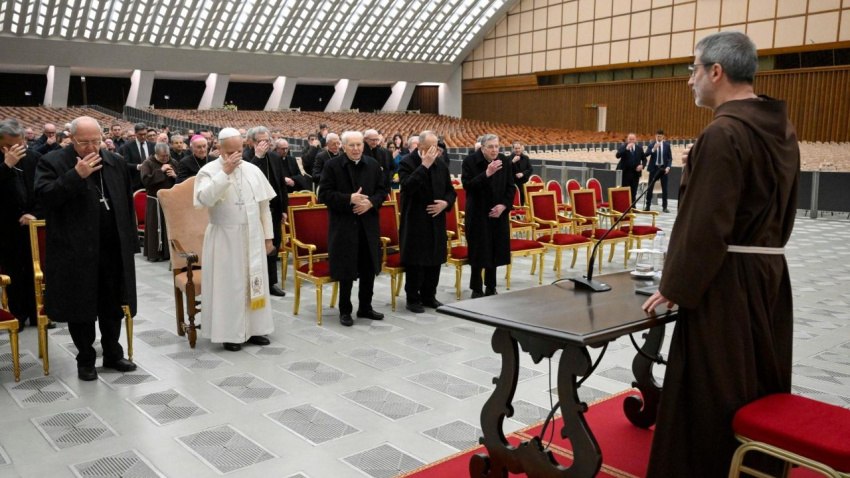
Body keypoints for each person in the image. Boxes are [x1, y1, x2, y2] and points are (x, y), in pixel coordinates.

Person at [642, 31, 800, 477]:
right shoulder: (780, 128)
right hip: (767, 271)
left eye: (693, 70)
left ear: (716, 71)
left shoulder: (723, 132)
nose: (689, 80)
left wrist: (675, 285)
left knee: (714, 389)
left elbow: (706, 225)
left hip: (725, 283)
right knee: (756, 379)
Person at [34, 116, 139, 381]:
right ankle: (85, 359)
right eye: (84, 142)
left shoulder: (114, 162)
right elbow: (44, 199)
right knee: (81, 308)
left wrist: (130, 244)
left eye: (96, 141)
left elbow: (126, 205)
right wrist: (75, 176)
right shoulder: (52, 162)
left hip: (112, 250)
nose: (92, 148)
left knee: (112, 305)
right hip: (76, 251)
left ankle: (113, 353)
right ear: (71, 138)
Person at [194, 128, 276, 352]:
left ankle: (256, 329)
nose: (236, 156)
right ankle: (230, 333)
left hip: (253, 235)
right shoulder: (208, 171)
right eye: (230, 152)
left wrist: (268, 237)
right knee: (229, 285)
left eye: (239, 151)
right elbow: (204, 200)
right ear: (219, 148)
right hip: (224, 238)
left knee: (253, 281)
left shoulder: (253, 170)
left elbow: (264, 206)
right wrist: (225, 172)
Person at [318, 131, 387, 327]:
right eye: (352, 145)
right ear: (343, 146)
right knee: (346, 270)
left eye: (359, 145)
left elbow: (383, 190)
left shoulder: (373, 164)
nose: (356, 149)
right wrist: (349, 198)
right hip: (344, 227)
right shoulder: (332, 166)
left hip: (368, 225)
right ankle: (345, 310)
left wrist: (371, 203)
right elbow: (324, 195)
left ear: (363, 146)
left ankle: (365, 307)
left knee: (368, 269)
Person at [398, 131, 455, 313]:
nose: (434, 151)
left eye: (436, 147)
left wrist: (445, 204)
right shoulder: (407, 162)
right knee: (416, 261)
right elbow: (407, 187)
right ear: (419, 146)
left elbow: (450, 191)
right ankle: (413, 298)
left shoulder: (440, 163)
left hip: (436, 220)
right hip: (416, 220)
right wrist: (424, 166)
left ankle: (429, 296)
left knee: (434, 260)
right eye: (430, 147)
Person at [0, 118, 43, 331]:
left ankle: (37, 314)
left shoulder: (34, 158)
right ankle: (17, 315)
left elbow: (44, 190)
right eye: (9, 145)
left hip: (32, 226)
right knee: (13, 272)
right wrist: (6, 165)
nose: (16, 149)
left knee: (35, 271)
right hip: (6, 227)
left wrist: (34, 213)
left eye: (20, 144)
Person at [461, 134, 513, 298]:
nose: (494, 150)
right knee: (478, 251)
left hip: (498, 213)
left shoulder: (504, 161)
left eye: (497, 146)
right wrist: (487, 173)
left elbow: (511, 187)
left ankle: (491, 286)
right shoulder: (470, 161)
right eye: (490, 147)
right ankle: (476, 289)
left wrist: (504, 205)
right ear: (482, 148)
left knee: (494, 250)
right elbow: (468, 186)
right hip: (478, 214)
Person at [244, 126, 287, 298]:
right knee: (255, 248)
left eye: (267, 141)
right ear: (251, 142)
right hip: (254, 211)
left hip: (274, 210)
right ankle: (254, 283)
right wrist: (258, 157)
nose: (264, 144)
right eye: (260, 141)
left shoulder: (275, 157)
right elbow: (246, 179)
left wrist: (284, 209)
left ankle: (270, 283)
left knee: (273, 245)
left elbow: (281, 185)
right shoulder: (246, 157)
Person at [140, 142, 178, 262]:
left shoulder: (173, 162)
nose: (166, 158)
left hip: (170, 200)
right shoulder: (147, 163)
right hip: (154, 201)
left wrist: (175, 176)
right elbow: (146, 181)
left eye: (167, 155)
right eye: (163, 156)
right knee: (155, 227)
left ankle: (169, 253)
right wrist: (160, 171)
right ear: (156, 154)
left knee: (169, 227)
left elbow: (180, 180)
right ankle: (155, 253)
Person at [118, 123, 155, 192]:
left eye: (145, 134)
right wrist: (138, 166)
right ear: (135, 133)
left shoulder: (153, 145)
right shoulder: (128, 146)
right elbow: (126, 164)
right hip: (135, 182)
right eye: (140, 134)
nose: (143, 136)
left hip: (150, 181)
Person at [645, 130, 672, 212]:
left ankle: (665, 206)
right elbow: (646, 154)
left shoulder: (667, 145)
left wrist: (668, 167)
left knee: (664, 188)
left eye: (660, 136)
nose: (659, 138)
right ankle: (648, 205)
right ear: (655, 136)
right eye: (657, 136)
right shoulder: (651, 144)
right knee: (650, 187)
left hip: (663, 168)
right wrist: (653, 149)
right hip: (654, 168)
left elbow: (670, 158)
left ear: (663, 136)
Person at [615, 133, 646, 199]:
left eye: (633, 139)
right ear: (627, 139)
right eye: (630, 139)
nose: (631, 141)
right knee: (625, 192)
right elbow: (617, 155)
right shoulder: (623, 147)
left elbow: (644, 159)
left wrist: (642, 166)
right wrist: (626, 149)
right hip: (625, 173)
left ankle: (633, 204)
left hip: (635, 173)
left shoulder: (639, 148)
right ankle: (625, 204)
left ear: (635, 140)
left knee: (633, 192)